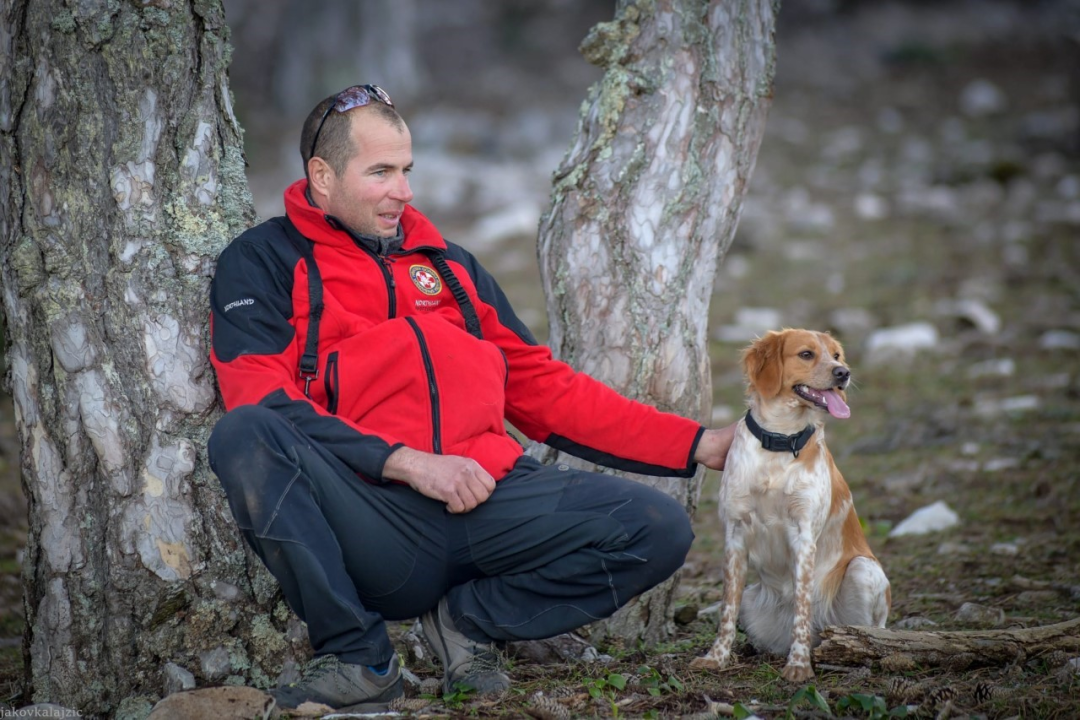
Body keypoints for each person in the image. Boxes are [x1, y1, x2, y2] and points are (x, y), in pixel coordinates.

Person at [207, 83, 737, 713]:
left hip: (489, 502)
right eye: (380, 172)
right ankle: (357, 657)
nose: (403, 192)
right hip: (377, 520)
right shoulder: (263, 261)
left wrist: (699, 443)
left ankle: (467, 622)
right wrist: (406, 463)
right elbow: (261, 397)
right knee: (244, 435)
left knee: (658, 528)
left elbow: (542, 389)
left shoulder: (451, 267)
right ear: (322, 177)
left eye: (406, 170)